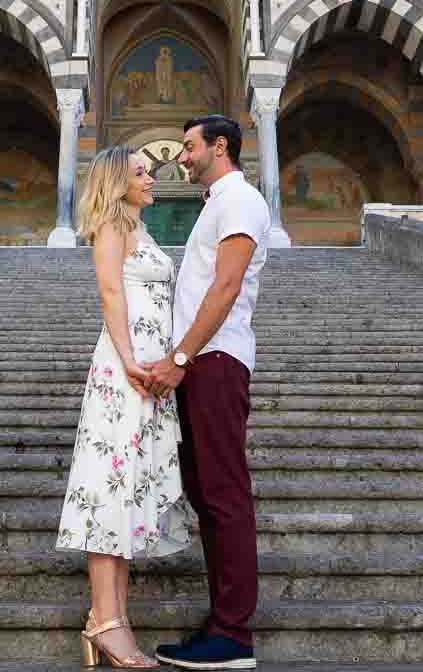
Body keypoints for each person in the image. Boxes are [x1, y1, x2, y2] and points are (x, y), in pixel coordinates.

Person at [58, 145, 190, 669]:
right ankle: (106, 621)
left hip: (147, 374)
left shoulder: (141, 229)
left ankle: (113, 619)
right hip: (124, 372)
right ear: (118, 182)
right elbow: (110, 291)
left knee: (127, 488)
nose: (150, 178)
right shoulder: (113, 227)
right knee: (110, 490)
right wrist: (131, 360)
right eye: (140, 173)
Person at [146, 115, 270, 671]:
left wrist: (180, 357)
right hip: (204, 361)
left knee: (222, 492)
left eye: (191, 146)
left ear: (220, 147)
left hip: (216, 360)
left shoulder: (239, 199)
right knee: (205, 488)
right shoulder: (218, 202)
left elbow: (225, 286)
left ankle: (233, 632)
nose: (183, 156)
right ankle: (224, 623)